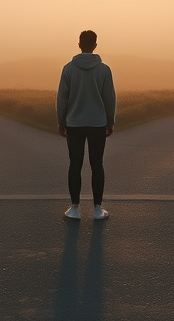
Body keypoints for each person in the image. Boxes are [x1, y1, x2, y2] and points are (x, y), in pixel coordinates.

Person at [57, 30, 116, 220]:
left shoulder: (68, 69)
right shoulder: (104, 70)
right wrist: (110, 121)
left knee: (75, 164)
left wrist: (61, 122)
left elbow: (62, 99)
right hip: (98, 124)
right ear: (95, 45)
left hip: (74, 123)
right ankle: (98, 209)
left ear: (79, 44)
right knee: (97, 164)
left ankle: (75, 209)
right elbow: (110, 99)